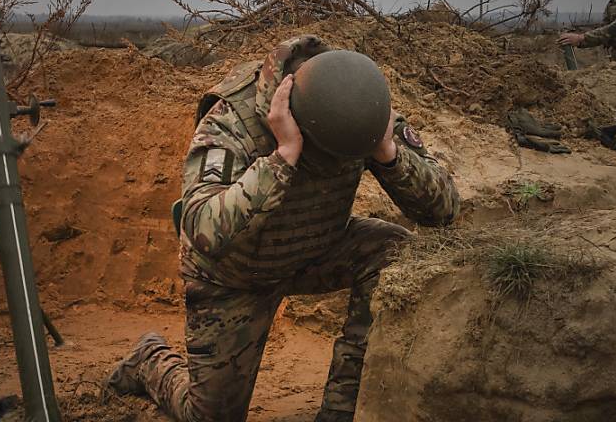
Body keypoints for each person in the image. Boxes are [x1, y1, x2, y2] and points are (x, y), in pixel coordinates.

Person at [106, 35, 460, 422]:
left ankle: (340, 410)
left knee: (393, 248)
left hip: (315, 248)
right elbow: (202, 228)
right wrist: (284, 157)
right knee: (208, 416)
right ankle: (149, 359)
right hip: (234, 276)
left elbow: (443, 210)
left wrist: (388, 155)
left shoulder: (357, 107)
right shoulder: (233, 120)